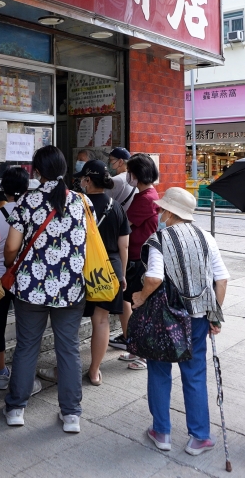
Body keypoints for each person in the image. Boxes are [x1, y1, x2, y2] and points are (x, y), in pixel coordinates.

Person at [132, 187, 228, 457]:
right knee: (195, 373)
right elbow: (221, 279)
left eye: (161, 210)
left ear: (170, 212)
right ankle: (200, 436)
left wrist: (140, 297)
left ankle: (161, 432)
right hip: (197, 318)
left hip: (166, 317)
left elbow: (153, 278)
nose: (159, 214)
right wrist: (215, 313)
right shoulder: (206, 236)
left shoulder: (160, 238)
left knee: (159, 371)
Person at [3, 146, 90, 433]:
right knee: (69, 349)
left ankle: (16, 408)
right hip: (70, 289)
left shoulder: (28, 201)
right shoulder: (80, 201)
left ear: (37, 172)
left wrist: (10, 262)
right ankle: (71, 414)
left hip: (31, 288)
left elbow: (12, 247)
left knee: (27, 346)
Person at [38, 160, 130, 386]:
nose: (79, 182)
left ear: (88, 180)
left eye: (81, 178)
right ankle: (95, 371)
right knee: (101, 321)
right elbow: (124, 245)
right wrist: (122, 274)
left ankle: (64, 371)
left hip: (80, 267)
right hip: (108, 269)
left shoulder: (77, 203)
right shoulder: (116, 206)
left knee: (70, 322)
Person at [109, 153, 159, 369]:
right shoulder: (147, 194)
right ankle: (134, 346)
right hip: (138, 256)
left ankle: (142, 354)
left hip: (138, 258)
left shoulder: (145, 199)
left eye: (130, 172)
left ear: (136, 174)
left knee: (138, 306)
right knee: (129, 303)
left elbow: (125, 227)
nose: (127, 175)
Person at [0, 166, 31, 390]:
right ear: (26, 187)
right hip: (24, 278)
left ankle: (2, 373)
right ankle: (24, 373)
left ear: (3, 188)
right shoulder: (32, 211)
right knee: (27, 327)